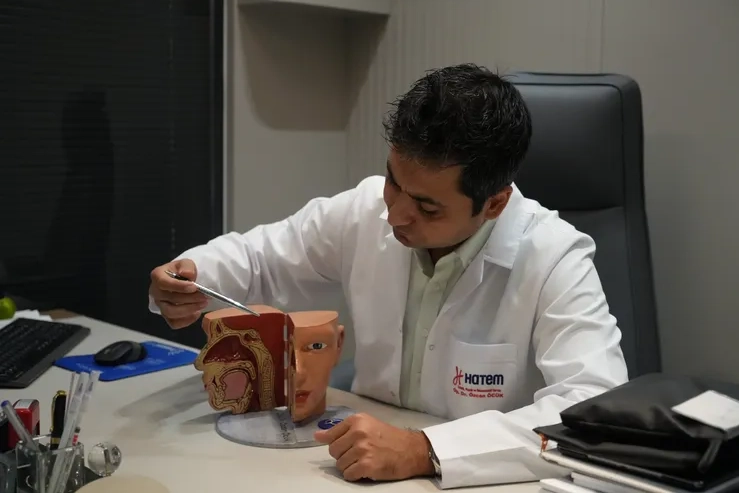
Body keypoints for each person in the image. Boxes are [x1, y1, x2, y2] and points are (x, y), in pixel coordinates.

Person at [148, 63, 628, 489]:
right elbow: (261, 259)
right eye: (394, 182)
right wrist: (190, 276)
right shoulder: (363, 211)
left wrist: (426, 449)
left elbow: (592, 409)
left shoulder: (553, 256)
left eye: (427, 207)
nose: (395, 214)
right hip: (353, 469)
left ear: (494, 204)